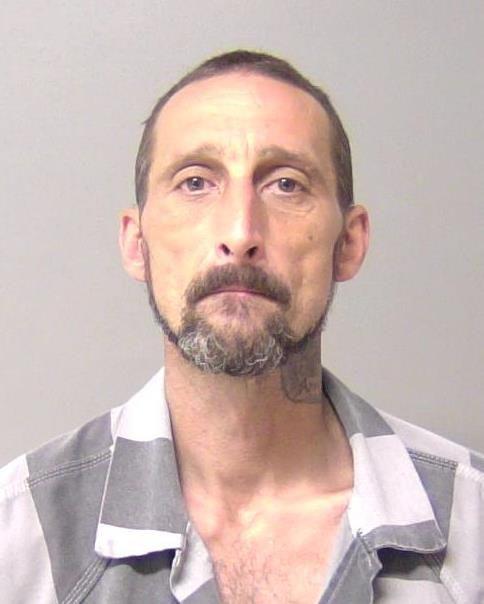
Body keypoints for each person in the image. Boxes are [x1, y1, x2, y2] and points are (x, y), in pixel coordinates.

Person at [0, 50, 482, 604]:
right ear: (137, 243)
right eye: (195, 182)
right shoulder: (20, 539)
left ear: (349, 243)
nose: (240, 232)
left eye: (286, 185)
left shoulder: (473, 532)